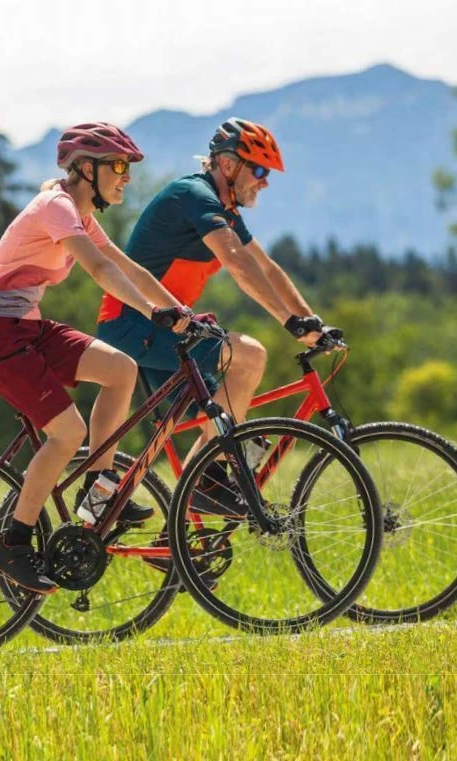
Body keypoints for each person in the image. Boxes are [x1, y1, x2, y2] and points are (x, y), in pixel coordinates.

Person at [0, 123, 190, 594]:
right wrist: (151, 313)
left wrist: (180, 311)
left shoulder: (79, 212)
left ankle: (98, 488)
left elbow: (126, 266)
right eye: (118, 166)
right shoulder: (56, 206)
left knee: (121, 369)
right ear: (86, 169)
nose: (126, 177)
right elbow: (99, 269)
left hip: (22, 326)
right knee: (67, 432)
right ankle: (13, 542)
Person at [97, 117, 328, 515]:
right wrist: (288, 322)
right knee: (248, 356)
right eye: (259, 171)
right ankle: (208, 480)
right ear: (228, 165)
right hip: (133, 324)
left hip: (172, 329)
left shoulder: (225, 212)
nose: (265, 182)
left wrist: (311, 322)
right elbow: (238, 263)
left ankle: (186, 522)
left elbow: (267, 268)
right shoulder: (194, 195)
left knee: (219, 423)